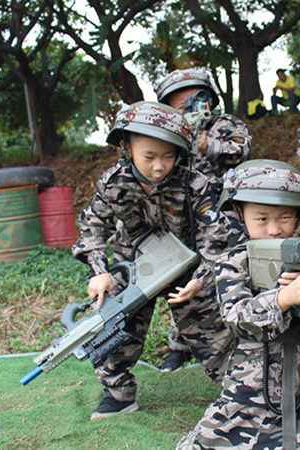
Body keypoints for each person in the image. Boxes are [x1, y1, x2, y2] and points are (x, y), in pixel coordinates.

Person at [71, 101, 243, 420]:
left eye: (168, 156)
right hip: (134, 265)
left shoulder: (195, 184)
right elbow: (93, 226)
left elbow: (215, 237)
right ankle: (118, 394)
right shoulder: (114, 183)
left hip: (187, 266)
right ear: (126, 147)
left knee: (211, 326)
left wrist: (202, 278)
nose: (159, 166)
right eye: (149, 156)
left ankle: (241, 390)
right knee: (111, 317)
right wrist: (99, 272)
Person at [176, 160, 300, 449]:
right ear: (241, 214)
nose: (275, 229)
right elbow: (236, 318)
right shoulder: (233, 261)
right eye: (262, 218)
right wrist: (283, 299)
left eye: (285, 217)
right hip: (250, 383)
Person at [154, 67, 252, 371]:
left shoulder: (225, 124)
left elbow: (242, 147)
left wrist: (207, 144)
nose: (189, 108)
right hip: (180, 215)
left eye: (195, 100)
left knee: (226, 273)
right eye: (179, 104)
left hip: (222, 215)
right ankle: (179, 344)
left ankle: (238, 336)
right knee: (181, 277)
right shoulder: (168, 130)